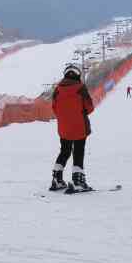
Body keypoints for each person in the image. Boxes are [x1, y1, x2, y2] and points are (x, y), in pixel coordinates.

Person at [50, 63, 95, 191]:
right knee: (78, 151)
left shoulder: (58, 89)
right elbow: (89, 107)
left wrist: (65, 117)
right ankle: (78, 181)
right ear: (78, 75)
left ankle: (57, 179)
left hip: (63, 128)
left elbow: (54, 107)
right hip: (79, 126)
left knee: (64, 151)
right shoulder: (80, 88)